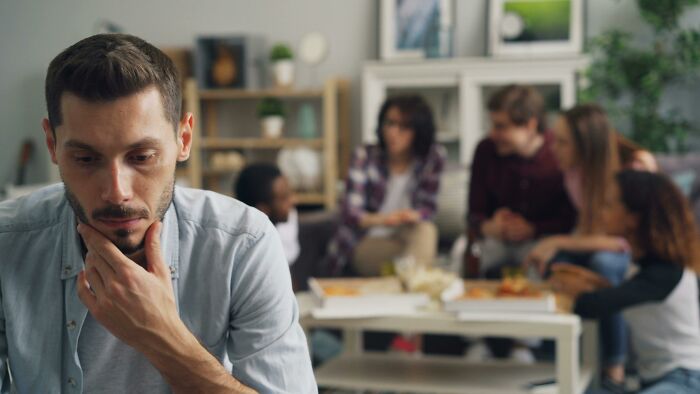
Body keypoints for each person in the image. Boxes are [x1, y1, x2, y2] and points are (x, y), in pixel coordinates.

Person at [0, 34, 316, 393]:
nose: (117, 191)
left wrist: (163, 338)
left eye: (141, 157)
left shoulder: (243, 244)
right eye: (86, 159)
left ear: (184, 138)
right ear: (52, 144)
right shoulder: (6, 243)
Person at [554, 170, 700, 394]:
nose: (602, 213)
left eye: (610, 206)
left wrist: (576, 291)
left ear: (633, 217)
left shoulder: (665, 272)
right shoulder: (640, 264)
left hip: (685, 380)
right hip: (655, 381)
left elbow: (592, 305)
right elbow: (622, 292)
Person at [525, 104, 629, 388]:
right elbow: (585, 227)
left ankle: (615, 367)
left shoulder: (623, 173)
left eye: (562, 142)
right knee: (552, 262)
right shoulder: (573, 174)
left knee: (604, 266)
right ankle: (558, 354)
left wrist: (557, 240)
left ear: (586, 146)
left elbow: (619, 241)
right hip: (594, 242)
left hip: (624, 249)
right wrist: (553, 248)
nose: (553, 148)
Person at [325, 95, 446, 277]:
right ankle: (411, 290)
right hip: (367, 238)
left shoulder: (432, 158)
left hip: (408, 235)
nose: (393, 132)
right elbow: (351, 213)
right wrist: (387, 219)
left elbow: (428, 209)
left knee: (426, 231)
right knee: (419, 258)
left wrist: (413, 215)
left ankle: (403, 286)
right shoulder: (364, 156)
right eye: (389, 123)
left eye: (403, 127)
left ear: (419, 131)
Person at [467, 84, 576, 278]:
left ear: (530, 125)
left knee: (541, 265)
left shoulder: (559, 152)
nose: (493, 134)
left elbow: (571, 219)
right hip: (494, 240)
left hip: (540, 240)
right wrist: (489, 225)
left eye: (501, 127)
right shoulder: (485, 150)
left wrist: (533, 229)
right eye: (492, 125)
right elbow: (474, 213)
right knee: (465, 255)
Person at [235, 163, 299, 265]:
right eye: (284, 198)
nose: (293, 201)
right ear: (262, 209)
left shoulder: (282, 230)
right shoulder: (252, 258)